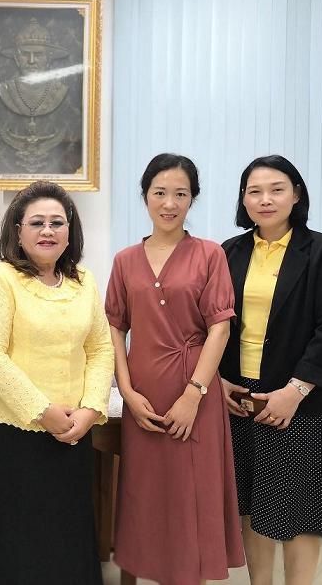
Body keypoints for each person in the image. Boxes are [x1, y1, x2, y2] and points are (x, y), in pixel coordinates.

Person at [0, 181, 114, 585]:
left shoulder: (83, 280)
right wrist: (42, 411)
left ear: (69, 231)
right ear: (18, 231)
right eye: (37, 223)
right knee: (13, 540)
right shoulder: (0, 277)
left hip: (72, 431)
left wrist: (91, 409)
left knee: (65, 536)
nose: (47, 231)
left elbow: (101, 348)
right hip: (10, 432)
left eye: (57, 223)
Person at [105, 154, 245, 585]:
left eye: (180, 194)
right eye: (160, 193)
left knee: (189, 497)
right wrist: (127, 392)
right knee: (143, 495)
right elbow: (115, 327)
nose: (169, 203)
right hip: (143, 395)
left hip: (194, 392)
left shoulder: (209, 254)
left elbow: (220, 329)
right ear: (145, 196)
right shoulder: (125, 260)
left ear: (192, 199)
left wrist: (194, 394)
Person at [219, 155, 322, 585]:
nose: (265, 199)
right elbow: (212, 324)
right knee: (253, 504)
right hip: (241, 396)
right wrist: (220, 382)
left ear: (296, 195)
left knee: (302, 508)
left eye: (277, 189)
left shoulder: (321, 250)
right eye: (254, 191)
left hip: (300, 397)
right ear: (244, 199)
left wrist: (294, 391)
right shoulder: (229, 251)